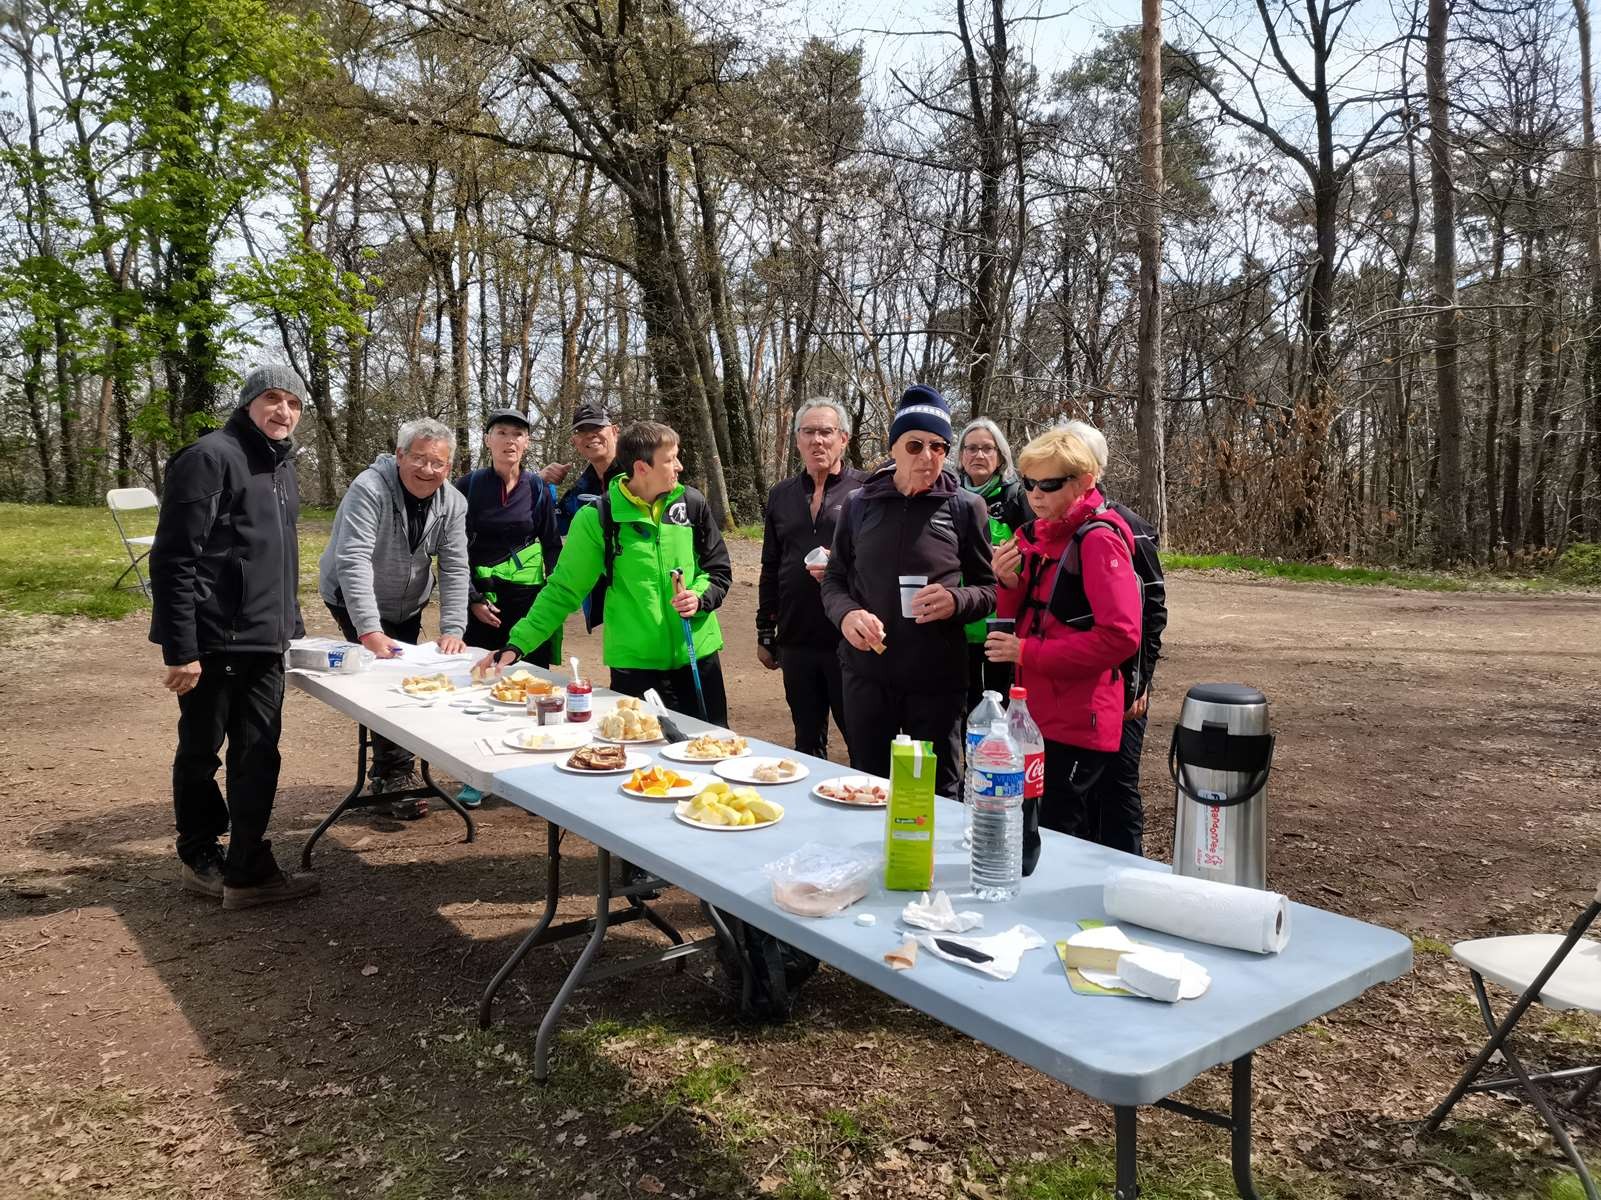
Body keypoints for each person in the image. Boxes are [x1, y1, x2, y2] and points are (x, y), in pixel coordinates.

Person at [148, 365, 320, 909]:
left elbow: (277, 558)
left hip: (265, 643)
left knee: (260, 754)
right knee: (201, 752)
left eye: (293, 403)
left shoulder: (282, 466)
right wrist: (182, 649)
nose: (283, 412)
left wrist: (290, 629)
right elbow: (174, 560)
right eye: (273, 399)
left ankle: (247, 868)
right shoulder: (208, 458)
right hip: (214, 640)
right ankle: (199, 854)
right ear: (248, 402)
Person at [479, 420, 734, 724]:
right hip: (636, 668)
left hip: (699, 659)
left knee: (709, 749)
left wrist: (699, 597)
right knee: (642, 758)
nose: (679, 466)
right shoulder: (597, 518)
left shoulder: (692, 503)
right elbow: (562, 590)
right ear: (642, 467)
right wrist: (516, 644)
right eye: (670, 459)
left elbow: (717, 570)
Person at [821, 385, 996, 799]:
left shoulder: (965, 507)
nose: (928, 457)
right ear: (894, 447)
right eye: (915, 445)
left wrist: (957, 600)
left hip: (936, 680)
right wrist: (847, 615)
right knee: (868, 788)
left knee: (935, 796)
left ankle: (931, 866)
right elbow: (834, 580)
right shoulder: (859, 505)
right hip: (867, 675)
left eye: (939, 447)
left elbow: (988, 590)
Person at [984, 425, 1142, 867]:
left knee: (1060, 836)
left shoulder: (1098, 540)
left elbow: (1121, 637)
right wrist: (1008, 581)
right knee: (1032, 827)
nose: (1035, 495)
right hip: (1036, 714)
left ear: (1083, 482)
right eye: (1030, 483)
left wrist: (1026, 654)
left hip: (1077, 721)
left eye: (1049, 485)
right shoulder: (1040, 534)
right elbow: (1027, 613)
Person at [318, 417, 470, 817]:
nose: (427, 470)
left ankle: (393, 769)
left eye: (437, 463)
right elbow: (353, 559)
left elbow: (455, 565)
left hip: (408, 600)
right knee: (382, 680)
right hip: (353, 596)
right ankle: (392, 775)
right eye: (418, 458)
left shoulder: (453, 502)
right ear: (400, 455)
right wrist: (368, 629)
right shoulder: (368, 488)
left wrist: (453, 628)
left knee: (406, 679)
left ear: (448, 467)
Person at [1056, 420, 1169, 857]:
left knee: (1117, 788)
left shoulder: (1126, 526)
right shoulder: (1049, 524)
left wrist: (1139, 682)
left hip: (1122, 687)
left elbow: (1152, 611)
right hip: (1070, 690)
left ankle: (1130, 875)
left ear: (1092, 471)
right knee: (1070, 793)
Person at [756, 398, 868, 758]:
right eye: (809, 432)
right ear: (797, 440)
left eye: (826, 432)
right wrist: (765, 631)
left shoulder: (865, 492)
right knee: (805, 743)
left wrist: (842, 567)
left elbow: (879, 565)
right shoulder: (781, 494)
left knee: (861, 740)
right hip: (796, 638)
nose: (818, 441)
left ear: (843, 439)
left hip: (847, 639)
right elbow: (770, 566)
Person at [956, 417, 1029, 709]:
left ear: (1000, 456)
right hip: (958, 618)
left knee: (997, 703)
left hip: (1001, 622)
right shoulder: (949, 496)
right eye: (971, 448)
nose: (979, 455)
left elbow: (1035, 555)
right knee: (962, 702)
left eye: (987, 448)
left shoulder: (1018, 499)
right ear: (961, 455)